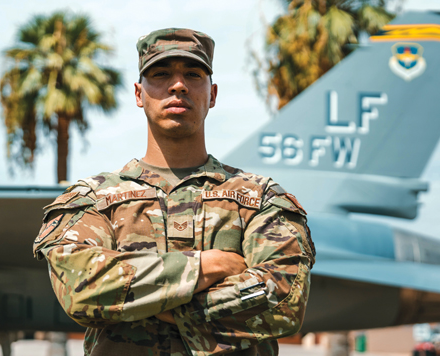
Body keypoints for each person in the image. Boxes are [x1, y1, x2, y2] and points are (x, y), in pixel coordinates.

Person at [33, 28, 315, 356]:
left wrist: (150, 303)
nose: (178, 84)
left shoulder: (260, 198)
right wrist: (208, 266)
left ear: (212, 95)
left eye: (193, 74)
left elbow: (284, 301)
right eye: (161, 73)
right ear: (139, 93)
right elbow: (82, 290)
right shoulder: (93, 199)